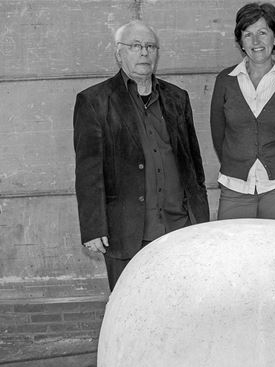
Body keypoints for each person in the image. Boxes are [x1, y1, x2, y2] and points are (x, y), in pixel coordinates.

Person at [74, 21, 210, 290]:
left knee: (183, 301)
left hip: (179, 226)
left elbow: (193, 164)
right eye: (135, 46)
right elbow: (88, 170)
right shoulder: (94, 101)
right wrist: (93, 227)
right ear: (119, 53)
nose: (144, 53)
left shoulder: (177, 98)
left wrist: (201, 220)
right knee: (131, 309)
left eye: (150, 46)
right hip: (126, 230)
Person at [210, 2, 275, 221]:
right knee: (235, 252)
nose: (256, 42)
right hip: (235, 188)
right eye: (248, 34)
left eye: (262, 33)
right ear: (240, 41)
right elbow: (218, 134)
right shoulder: (225, 80)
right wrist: (237, 162)